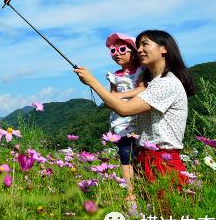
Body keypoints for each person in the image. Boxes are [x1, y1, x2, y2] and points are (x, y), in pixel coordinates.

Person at [75, 30, 196, 198]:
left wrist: (92, 82)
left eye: (145, 44)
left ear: (164, 49)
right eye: (138, 46)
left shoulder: (166, 83)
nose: (139, 49)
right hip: (146, 159)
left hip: (162, 162)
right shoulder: (153, 83)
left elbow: (125, 109)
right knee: (152, 219)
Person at [102, 32, 146, 201]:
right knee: (125, 155)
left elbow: (142, 89)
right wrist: (113, 99)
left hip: (138, 118)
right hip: (120, 121)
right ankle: (130, 192)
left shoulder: (140, 71)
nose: (117, 53)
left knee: (140, 154)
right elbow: (111, 96)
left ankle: (143, 188)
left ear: (133, 52)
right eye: (113, 51)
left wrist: (118, 97)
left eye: (121, 49)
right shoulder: (113, 76)